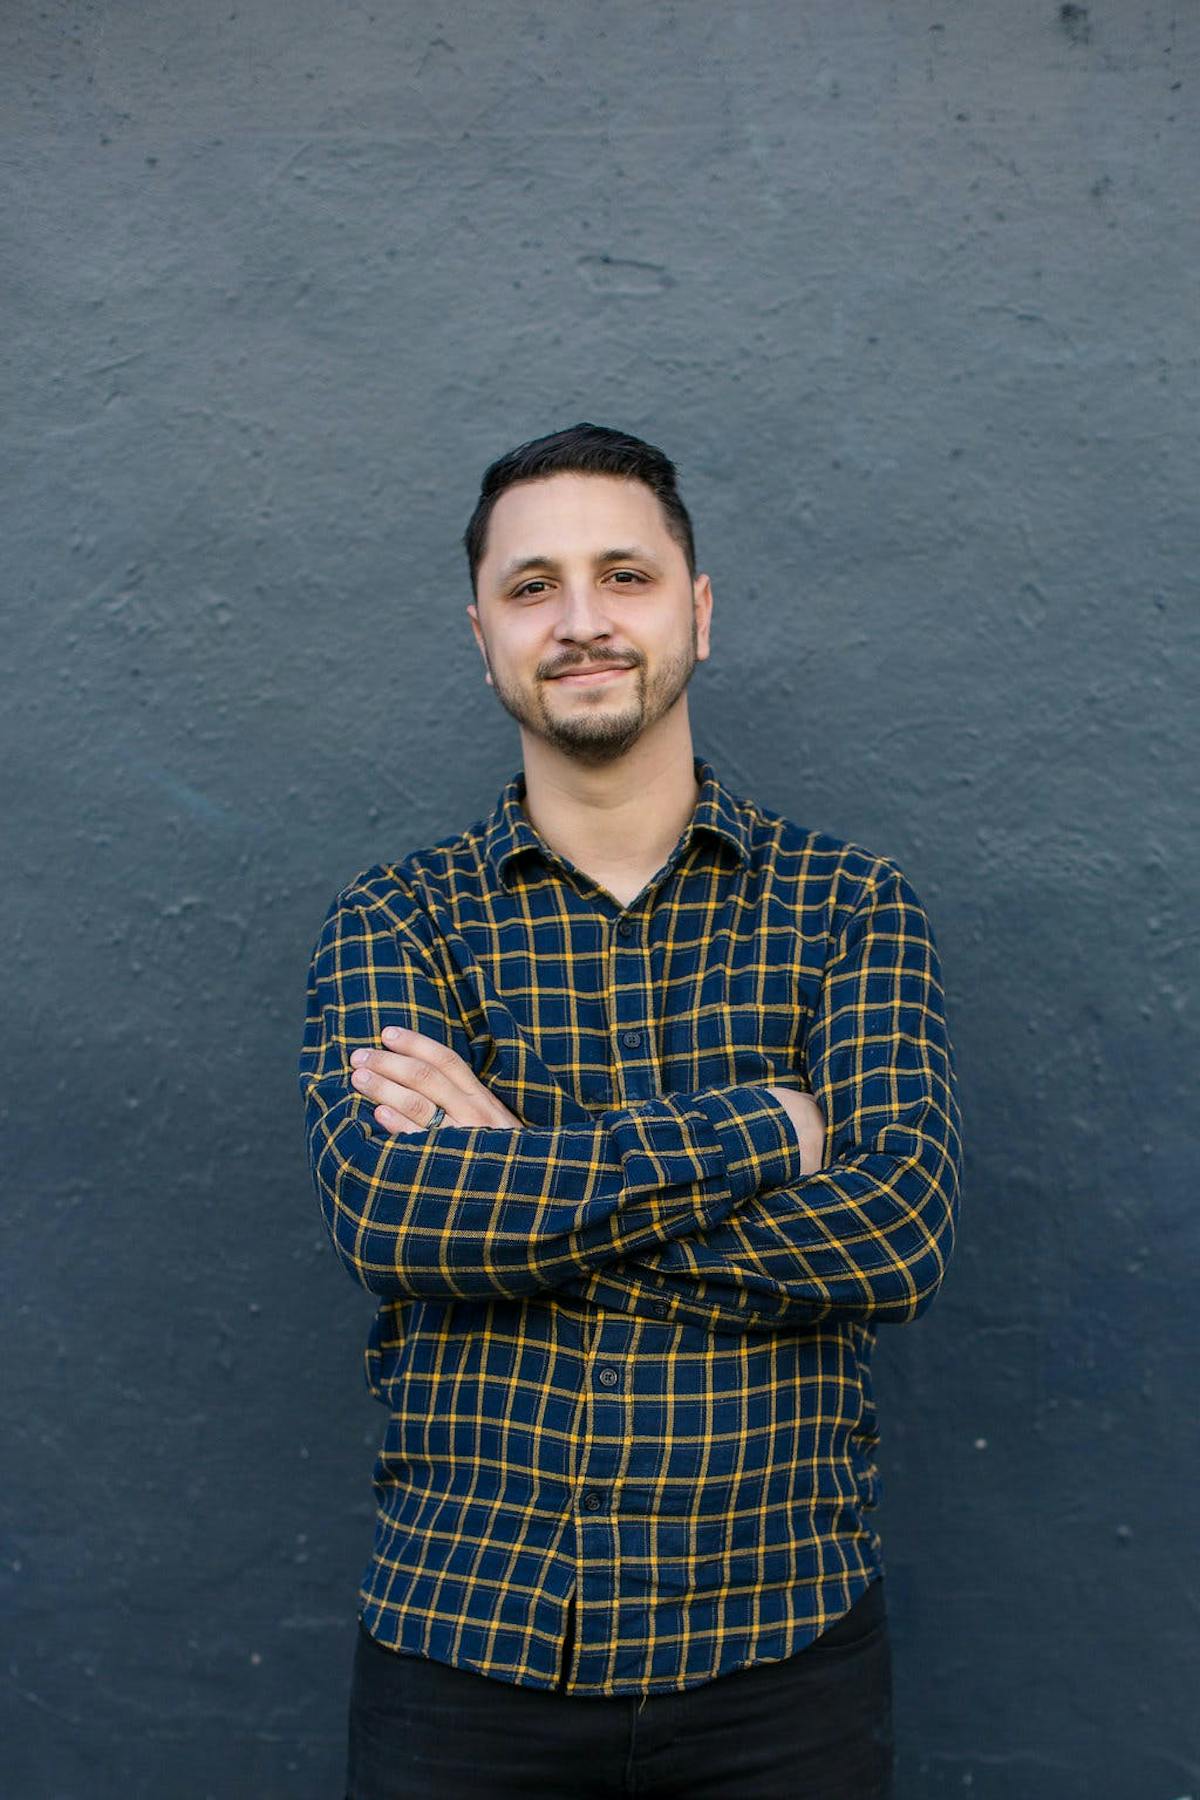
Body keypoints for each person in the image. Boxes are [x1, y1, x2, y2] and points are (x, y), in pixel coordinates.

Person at [299, 422, 963, 1798]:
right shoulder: (397, 920)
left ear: (699, 613)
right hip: (462, 1665)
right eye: (532, 586)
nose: (583, 621)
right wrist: (763, 1137)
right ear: (479, 631)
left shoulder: (849, 908)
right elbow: (391, 1216)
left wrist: (521, 1183)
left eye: (626, 575)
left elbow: (895, 1235)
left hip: (780, 1666)